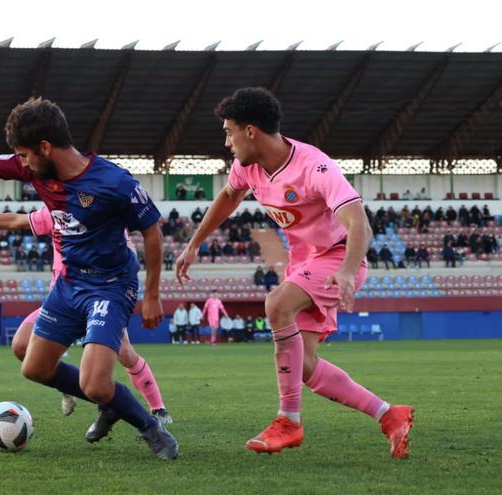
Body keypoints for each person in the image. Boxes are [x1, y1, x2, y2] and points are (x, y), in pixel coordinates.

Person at [0, 96, 177, 459]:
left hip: (110, 287)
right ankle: (115, 403)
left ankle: (150, 426)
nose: (20, 163)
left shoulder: (114, 182)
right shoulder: (35, 170)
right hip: (69, 284)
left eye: (23, 154)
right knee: (34, 367)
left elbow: (152, 232)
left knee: (96, 385)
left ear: (45, 147)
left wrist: (152, 294)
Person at [175, 87, 412, 458]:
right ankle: (389, 415)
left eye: (228, 131)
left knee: (277, 305)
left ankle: (289, 421)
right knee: (304, 365)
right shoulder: (247, 167)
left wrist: (349, 270)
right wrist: (194, 243)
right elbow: (227, 198)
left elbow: (359, 223)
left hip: (337, 258)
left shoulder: (314, 166)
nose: (227, 142)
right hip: (305, 262)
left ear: (250, 131)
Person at [0, 206, 174, 424]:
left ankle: (158, 409)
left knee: (125, 353)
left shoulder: (105, 210)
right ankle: (72, 388)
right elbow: (16, 220)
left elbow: (140, 240)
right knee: (22, 346)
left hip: (100, 296)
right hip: (62, 301)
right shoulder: (58, 211)